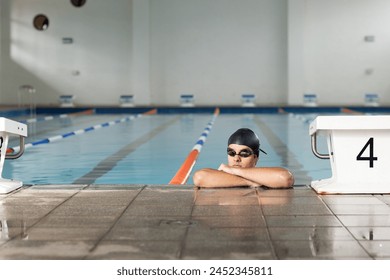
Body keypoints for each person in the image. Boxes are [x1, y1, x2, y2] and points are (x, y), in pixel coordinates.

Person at [193, 128, 294, 188]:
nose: (236, 158)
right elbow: (199, 177)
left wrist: (233, 171)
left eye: (244, 153)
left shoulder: (266, 175)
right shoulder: (265, 179)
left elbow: (285, 178)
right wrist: (251, 181)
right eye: (231, 152)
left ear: (255, 157)